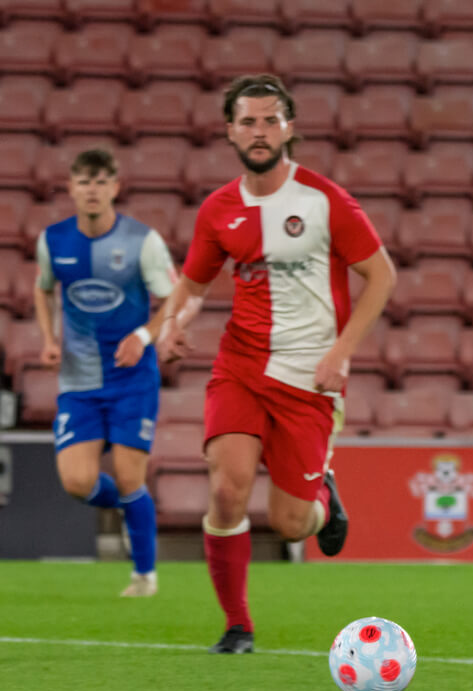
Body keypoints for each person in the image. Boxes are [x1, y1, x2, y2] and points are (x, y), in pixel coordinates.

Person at [157, 74, 397, 654]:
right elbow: (192, 286)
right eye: (248, 121)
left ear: (290, 127)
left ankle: (323, 502)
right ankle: (238, 625)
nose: (259, 132)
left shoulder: (325, 200)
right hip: (239, 368)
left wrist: (341, 351)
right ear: (229, 130)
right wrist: (173, 324)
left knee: (291, 523)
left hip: (308, 380)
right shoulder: (218, 210)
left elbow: (381, 276)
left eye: (270, 120)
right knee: (227, 492)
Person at [33, 148, 177, 598]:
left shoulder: (143, 241)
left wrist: (145, 336)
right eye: (83, 181)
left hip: (132, 379)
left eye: (100, 181)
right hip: (79, 381)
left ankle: (144, 576)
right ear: (71, 188)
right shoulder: (53, 240)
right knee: (77, 481)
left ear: (115, 187)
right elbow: (43, 291)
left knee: (132, 476)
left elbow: (175, 300)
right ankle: (136, 509)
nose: (92, 190)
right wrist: (49, 340)